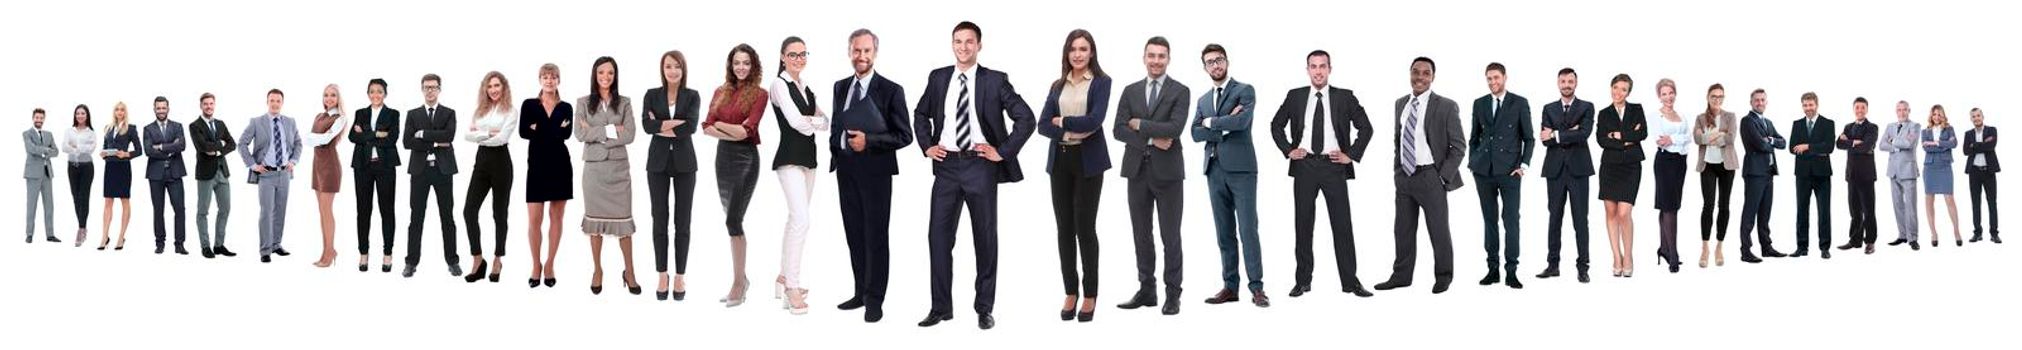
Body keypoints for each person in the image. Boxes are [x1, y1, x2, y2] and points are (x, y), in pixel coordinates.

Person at [917, 21, 1035, 330]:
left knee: (985, 238)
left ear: (979, 45)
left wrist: (1002, 151)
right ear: (952, 44)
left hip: (980, 166)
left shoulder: (995, 81)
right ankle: (940, 307)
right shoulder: (939, 77)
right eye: (958, 41)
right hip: (945, 167)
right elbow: (920, 113)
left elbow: (1026, 118)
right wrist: (928, 145)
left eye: (970, 42)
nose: (964, 47)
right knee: (938, 238)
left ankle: (984, 308)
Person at [1270, 49, 1376, 298]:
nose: (1318, 71)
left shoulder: (1345, 97)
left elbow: (1366, 128)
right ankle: (1302, 281)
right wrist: (1289, 150)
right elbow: (1276, 125)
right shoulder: (1295, 96)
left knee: (1342, 225)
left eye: (1322, 66)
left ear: (1330, 69)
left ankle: (1351, 282)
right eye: (1313, 66)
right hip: (1304, 166)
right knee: (1303, 225)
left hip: (1334, 165)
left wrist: (1351, 154)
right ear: (1307, 69)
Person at [831, 28, 914, 323]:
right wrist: (837, 147)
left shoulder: (891, 90)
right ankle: (860, 292)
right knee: (854, 234)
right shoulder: (840, 87)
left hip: (876, 173)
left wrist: (871, 141)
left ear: (875, 53)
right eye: (856, 50)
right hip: (846, 170)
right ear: (849, 52)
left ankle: (875, 300)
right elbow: (837, 126)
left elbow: (905, 135)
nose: (861, 56)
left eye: (866, 51)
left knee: (875, 236)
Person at [1032, 28, 1109, 324]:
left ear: (1091, 53)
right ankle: (1070, 291)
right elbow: (1041, 125)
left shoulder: (1102, 82)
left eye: (1083, 49)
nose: (1078, 54)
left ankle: (1090, 293)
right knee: (1064, 228)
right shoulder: (1057, 84)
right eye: (1073, 49)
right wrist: (1071, 130)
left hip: (1088, 162)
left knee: (1085, 227)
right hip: (1061, 161)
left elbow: (1096, 120)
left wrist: (1061, 121)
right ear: (1067, 53)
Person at [1113, 36, 1191, 315]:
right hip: (1136, 171)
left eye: (1161, 56)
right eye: (1151, 55)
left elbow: (1175, 128)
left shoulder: (1180, 91)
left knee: (1171, 236)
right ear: (1143, 57)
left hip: (1168, 174)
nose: (1156, 61)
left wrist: (1141, 125)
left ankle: (1173, 294)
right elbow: (1118, 129)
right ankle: (1147, 290)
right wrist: (1150, 139)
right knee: (1141, 234)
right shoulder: (1130, 90)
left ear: (1168, 59)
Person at [1375, 56, 1464, 294]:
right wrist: (1397, 170)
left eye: (1426, 73)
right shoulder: (1400, 103)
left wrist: (1442, 176)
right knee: (1402, 229)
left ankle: (1444, 276)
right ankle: (1401, 276)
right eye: (1416, 72)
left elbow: (1459, 146)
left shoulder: (1445, 105)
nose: (1420, 77)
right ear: (1409, 74)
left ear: (1433, 77)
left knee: (1438, 229)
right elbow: (1398, 138)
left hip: (1431, 176)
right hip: (1405, 177)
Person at [1192, 44, 1266, 307]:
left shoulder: (1244, 90)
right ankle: (1230, 287)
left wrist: (1211, 122)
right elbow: (1194, 133)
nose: (1215, 65)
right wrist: (1222, 123)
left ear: (1227, 61)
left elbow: (1242, 123)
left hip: (1242, 171)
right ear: (1204, 67)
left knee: (1248, 230)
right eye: (1210, 62)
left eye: (1219, 60)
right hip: (1213, 170)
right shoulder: (1202, 100)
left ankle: (1257, 288)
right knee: (1224, 233)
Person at [704, 44, 769, 306]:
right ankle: (741, 279)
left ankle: (738, 283)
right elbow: (706, 127)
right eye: (737, 63)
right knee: (732, 221)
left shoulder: (759, 94)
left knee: (734, 219)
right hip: (723, 161)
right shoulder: (720, 92)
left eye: (746, 63)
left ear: (753, 66)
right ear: (731, 65)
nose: (741, 67)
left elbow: (747, 132)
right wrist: (724, 127)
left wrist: (720, 125)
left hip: (746, 160)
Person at [769, 37, 827, 314]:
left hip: (809, 160)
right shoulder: (779, 85)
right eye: (793, 55)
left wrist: (812, 122)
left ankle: (783, 277)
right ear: (782, 57)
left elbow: (825, 122)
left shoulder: (805, 86)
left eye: (803, 54)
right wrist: (813, 123)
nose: (798, 59)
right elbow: (795, 123)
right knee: (802, 220)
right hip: (789, 159)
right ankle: (792, 285)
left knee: (796, 220)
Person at [576, 56, 640, 296]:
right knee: (594, 225)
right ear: (595, 75)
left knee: (624, 225)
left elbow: (631, 134)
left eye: (610, 73)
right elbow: (578, 134)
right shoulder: (583, 102)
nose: (605, 77)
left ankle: (630, 271)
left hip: (618, 171)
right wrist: (612, 129)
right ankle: (597, 270)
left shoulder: (624, 103)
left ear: (615, 76)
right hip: (593, 172)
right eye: (601, 72)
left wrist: (594, 132)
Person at [642, 51, 700, 300]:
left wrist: (661, 123)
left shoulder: (692, 95)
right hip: (657, 163)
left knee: (683, 221)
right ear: (662, 69)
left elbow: (692, 126)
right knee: (659, 219)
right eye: (668, 66)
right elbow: (646, 126)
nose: (673, 70)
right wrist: (675, 123)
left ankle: (680, 277)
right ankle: (662, 274)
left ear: (683, 69)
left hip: (685, 163)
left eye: (677, 66)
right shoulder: (651, 94)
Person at [1468, 63, 1532, 288]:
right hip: (1483, 171)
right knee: (1489, 221)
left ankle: (1512, 270)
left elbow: (1529, 138)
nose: (1492, 82)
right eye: (1488, 78)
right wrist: (1472, 163)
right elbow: (1473, 137)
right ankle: (1492, 269)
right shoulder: (1480, 103)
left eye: (1496, 77)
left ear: (1505, 77)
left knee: (1511, 221)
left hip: (1510, 171)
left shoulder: (1519, 102)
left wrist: (1523, 165)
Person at [1536, 68, 1596, 282]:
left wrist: (1556, 133)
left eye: (1570, 81)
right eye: (1563, 81)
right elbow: (1544, 140)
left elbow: (1585, 133)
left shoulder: (1587, 106)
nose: (1567, 84)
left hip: (1579, 170)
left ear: (1576, 83)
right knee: (1554, 219)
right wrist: (1568, 132)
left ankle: (1583, 267)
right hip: (1555, 170)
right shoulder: (1548, 108)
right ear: (1558, 83)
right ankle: (1553, 265)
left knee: (1581, 220)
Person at [523, 63, 575, 288]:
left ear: (558, 81)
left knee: (557, 217)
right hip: (536, 166)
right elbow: (525, 132)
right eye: (545, 77)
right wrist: (553, 129)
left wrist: (540, 128)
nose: (549, 80)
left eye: (553, 77)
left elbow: (567, 134)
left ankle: (550, 264)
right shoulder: (529, 104)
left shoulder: (566, 107)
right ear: (540, 80)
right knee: (534, 219)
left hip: (560, 166)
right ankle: (536, 264)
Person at [462, 71, 517, 282]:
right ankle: (477, 258)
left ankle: (497, 258)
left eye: (497, 86)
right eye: (490, 86)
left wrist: (482, 135)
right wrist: (488, 134)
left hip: (501, 163)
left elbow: (502, 138)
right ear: (485, 89)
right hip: (481, 163)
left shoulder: (511, 111)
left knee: (499, 213)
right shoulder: (480, 111)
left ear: (503, 87)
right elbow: (467, 135)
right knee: (469, 211)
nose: (493, 90)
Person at [403, 74, 461, 278]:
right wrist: (437, 142)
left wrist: (423, 134)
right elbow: (407, 142)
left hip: (443, 169)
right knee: (416, 217)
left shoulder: (449, 113)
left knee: (447, 216)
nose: (430, 91)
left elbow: (449, 136)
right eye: (426, 87)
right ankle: (411, 262)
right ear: (422, 89)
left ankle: (453, 261)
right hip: (419, 171)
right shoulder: (412, 114)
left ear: (439, 89)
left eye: (433, 87)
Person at [239, 89, 302, 263]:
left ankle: (276, 244)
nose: (275, 103)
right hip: (266, 174)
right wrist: (252, 165)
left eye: (278, 101)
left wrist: (294, 160)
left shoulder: (290, 122)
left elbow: (298, 143)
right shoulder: (256, 122)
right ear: (267, 102)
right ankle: (265, 250)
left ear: (282, 103)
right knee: (266, 212)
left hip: (284, 173)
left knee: (280, 211)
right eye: (272, 100)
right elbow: (242, 144)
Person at [1595, 74, 1646, 277]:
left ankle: (1628, 256)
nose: (1618, 92)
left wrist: (1617, 134)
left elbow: (1642, 134)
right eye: (1616, 87)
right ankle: (1616, 256)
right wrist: (1627, 137)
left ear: (1628, 92)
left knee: (1624, 213)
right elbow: (1601, 140)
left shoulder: (1637, 109)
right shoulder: (1603, 113)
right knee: (1610, 212)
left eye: (1623, 89)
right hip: (1609, 166)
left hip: (1631, 166)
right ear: (1611, 88)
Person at [351, 79, 403, 272]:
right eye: (372, 91)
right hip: (362, 167)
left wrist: (365, 133)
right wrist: (377, 134)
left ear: (385, 94)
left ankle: (387, 254)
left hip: (385, 167)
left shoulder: (393, 114)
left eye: (379, 92)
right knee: (363, 211)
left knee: (387, 210)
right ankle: (363, 253)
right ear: (368, 94)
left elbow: (392, 139)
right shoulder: (360, 113)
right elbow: (352, 137)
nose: (375, 95)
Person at [1738, 89, 1790, 263]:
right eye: (1756, 100)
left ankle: (1766, 247)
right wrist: (1768, 141)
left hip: (1769, 172)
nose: (1760, 103)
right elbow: (1760, 144)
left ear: (1766, 102)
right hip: (1754, 173)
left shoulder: (1768, 122)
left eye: (1762, 100)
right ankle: (1745, 250)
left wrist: (1772, 140)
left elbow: (1783, 142)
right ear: (1751, 102)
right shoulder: (1747, 121)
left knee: (1765, 213)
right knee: (1750, 212)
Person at [1648, 79, 1691, 272]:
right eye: (1664, 94)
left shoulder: (1680, 115)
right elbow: (1660, 141)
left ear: (1675, 93)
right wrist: (1676, 140)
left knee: (1669, 206)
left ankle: (1664, 248)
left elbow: (1689, 138)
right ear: (1659, 96)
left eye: (1671, 92)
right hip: (1665, 163)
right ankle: (1673, 254)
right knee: (1669, 207)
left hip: (1681, 162)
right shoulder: (1655, 115)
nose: (1668, 97)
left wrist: (1673, 139)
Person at [1694, 84, 1739, 267]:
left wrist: (1711, 137)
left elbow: (1731, 138)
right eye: (1714, 96)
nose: (1717, 99)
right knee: (1708, 205)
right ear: (1708, 97)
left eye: (1720, 96)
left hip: (1727, 166)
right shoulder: (1700, 118)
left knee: (1724, 206)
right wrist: (1717, 135)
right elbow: (1697, 139)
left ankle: (1719, 246)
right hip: (1708, 166)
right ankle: (1705, 248)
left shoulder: (1731, 116)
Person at [1787, 92, 1837, 259]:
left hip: (1822, 174)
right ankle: (1802, 247)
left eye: (1811, 105)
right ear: (1802, 106)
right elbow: (1792, 147)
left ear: (1817, 105)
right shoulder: (1797, 124)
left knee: (1824, 211)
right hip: (1802, 174)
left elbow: (1829, 146)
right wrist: (1817, 150)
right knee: (1801, 211)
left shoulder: (1828, 123)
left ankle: (1824, 247)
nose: (1808, 108)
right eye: (1805, 105)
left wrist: (1807, 146)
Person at [189, 94, 237, 258]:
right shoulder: (195, 126)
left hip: (222, 172)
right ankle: (205, 246)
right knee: (203, 211)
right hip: (205, 173)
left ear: (214, 105)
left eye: (211, 103)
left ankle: (219, 245)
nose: (209, 106)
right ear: (201, 106)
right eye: (205, 104)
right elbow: (202, 146)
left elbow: (232, 143)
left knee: (225, 208)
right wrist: (221, 144)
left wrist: (216, 150)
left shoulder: (220, 124)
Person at [307, 85, 350, 267]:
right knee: (321, 212)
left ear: (338, 98)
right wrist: (314, 137)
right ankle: (326, 251)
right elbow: (312, 139)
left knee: (327, 210)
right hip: (317, 165)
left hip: (330, 167)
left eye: (333, 95)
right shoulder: (319, 116)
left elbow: (324, 140)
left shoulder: (340, 118)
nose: (329, 98)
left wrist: (312, 137)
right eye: (326, 95)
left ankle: (330, 251)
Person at [143, 96, 190, 255]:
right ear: (154, 109)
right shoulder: (148, 129)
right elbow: (148, 151)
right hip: (155, 175)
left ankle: (179, 244)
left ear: (168, 109)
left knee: (179, 209)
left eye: (164, 108)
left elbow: (182, 146)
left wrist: (161, 146)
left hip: (175, 173)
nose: (161, 111)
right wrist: (171, 149)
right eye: (158, 108)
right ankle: (160, 243)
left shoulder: (177, 126)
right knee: (158, 210)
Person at [1836, 98, 1881, 254]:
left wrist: (1849, 142)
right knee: (1854, 210)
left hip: (1867, 176)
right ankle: (1855, 240)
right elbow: (1838, 144)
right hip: (1852, 175)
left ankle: (1870, 241)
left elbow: (1867, 146)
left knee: (1868, 211)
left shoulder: (1872, 127)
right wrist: (1855, 143)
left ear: (1866, 109)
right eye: (1857, 107)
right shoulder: (1848, 127)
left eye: (1863, 107)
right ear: (1853, 109)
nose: (1860, 110)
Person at [98, 102, 141, 251]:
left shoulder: (131, 128)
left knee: (124, 201)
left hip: (123, 167)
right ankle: (104, 236)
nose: (119, 112)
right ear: (114, 112)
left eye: (122, 110)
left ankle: (121, 236)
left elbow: (139, 150)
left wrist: (126, 154)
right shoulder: (108, 128)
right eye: (117, 109)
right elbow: (105, 146)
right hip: (110, 167)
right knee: (108, 202)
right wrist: (103, 154)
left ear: (125, 112)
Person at [1881, 101, 1923, 250]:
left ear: (1909, 111)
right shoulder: (1890, 126)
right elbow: (1881, 145)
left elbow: (1909, 144)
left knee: (1911, 206)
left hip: (1908, 171)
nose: (1902, 112)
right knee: (1897, 205)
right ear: (1896, 111)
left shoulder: (1915, 126)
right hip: (1893, 171)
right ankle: (1902, 235)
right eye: (1899, 110)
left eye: (1904, 110)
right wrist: (1897, 145)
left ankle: (1913, 238)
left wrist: (1892, 142)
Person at [1922, 105, 1962, 247]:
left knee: (1949, 198)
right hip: (1930, 167)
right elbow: (1925, 147)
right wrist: (1944, 145)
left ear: (1943, 115)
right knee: (1929, 200)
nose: (1937, 117)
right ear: (1931, 116)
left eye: (1939, 114)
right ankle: (1933, 233)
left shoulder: (1949, 129)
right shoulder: (1925, 131)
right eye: (1934, 114)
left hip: (1945, 166)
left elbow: (1954, 143)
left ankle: (1956, 231)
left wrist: (1935, 143)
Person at [61, 105, 98, 247]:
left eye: (83, 113)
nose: (80, 116)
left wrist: (74, 147)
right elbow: (64, 147)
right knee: (75, 197)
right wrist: (79, 148)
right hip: (72, 167)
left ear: (87, 115)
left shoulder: (91, 132)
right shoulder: (69, 131)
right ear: (75, 116)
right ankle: (81, 225)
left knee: (84, 196)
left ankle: (82, 228)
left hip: (86, 167)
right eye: (78, 113)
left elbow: (91, 149)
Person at [1963, 108, 2000, 244]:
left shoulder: (1992, 130)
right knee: (1975, 203)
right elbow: (1966, 151)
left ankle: (1994, 233)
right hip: (1974, 172)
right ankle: (1977, 233)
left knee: (1992, 203)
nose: (1976, 118)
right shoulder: (1968, 133)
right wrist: (1983, 144)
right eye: (1973, 116)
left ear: (1983, 116)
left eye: (1978, 115)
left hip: (1989, 171)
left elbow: (1991, 146)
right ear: (1971, 119)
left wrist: (1975, 145)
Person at [24, 108, 60, 244]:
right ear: (33, 118)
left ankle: (50, 234)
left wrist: (45, 151)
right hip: (33, 174)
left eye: (41, 118)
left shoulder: (49, 134)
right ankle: (29, 234)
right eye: (37, 118)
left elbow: (56, 152)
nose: (39, 120)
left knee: (49, 205)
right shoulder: (27, 134)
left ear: (44, 119)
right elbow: (30, 149)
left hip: (47, 174)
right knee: (31, 205)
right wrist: (46, 150)